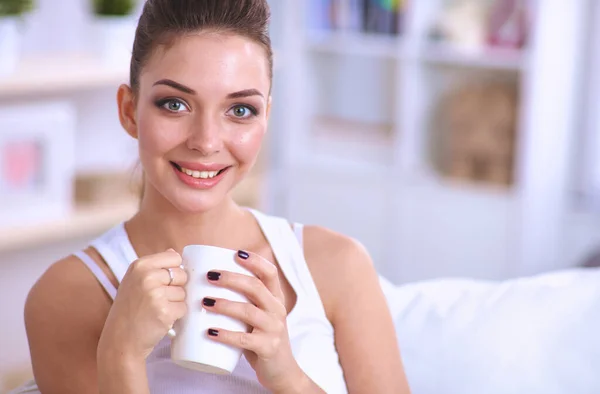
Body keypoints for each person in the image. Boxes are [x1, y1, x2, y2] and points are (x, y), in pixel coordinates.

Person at [21, 1, 410, 393]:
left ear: (266, 118)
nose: (206, 142)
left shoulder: (337, 266)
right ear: (129, 111)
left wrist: (287, 375)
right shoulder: (66, 296)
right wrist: (120, 354)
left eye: (240, 110)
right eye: (175, 104)